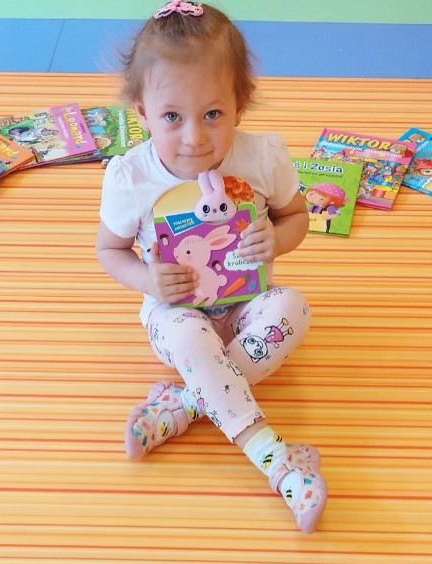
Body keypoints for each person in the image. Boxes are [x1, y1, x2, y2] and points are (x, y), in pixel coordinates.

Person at [95, 2, 326, 533]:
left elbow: (297, 218)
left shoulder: (262, 158)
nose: (194, 137)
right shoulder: (133, 178)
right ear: (142, 111)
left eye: (213, 114)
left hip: (247, 307)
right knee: (190, 338)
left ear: (240, 105)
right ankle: (279, 464)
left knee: (294, 308)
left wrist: (276, 239)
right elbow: (109, 250)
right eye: (172, 117)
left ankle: (183, 405)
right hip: (176, 315)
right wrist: (149, 280)